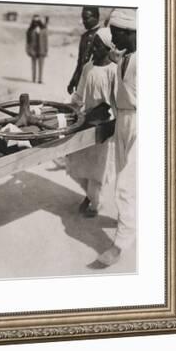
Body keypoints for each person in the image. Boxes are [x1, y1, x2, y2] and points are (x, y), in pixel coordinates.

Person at [97, 8, 137, 267]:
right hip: (123, 119)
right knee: (126, 177)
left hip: (141, 121)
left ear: (128, 31)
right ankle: (130, 223)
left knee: (125, 184)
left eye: (116, 35)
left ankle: (121, 242)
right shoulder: (124, 57)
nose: (113, 40)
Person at [66, 27, 117, 218]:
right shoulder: (88, 67)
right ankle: (89, 194)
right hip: (86, 122)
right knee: (78, 163)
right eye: (93, 45)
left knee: (97, 167)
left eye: (97, 46)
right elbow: (79, 94)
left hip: (104, 126)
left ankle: (94, 202)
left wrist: (110, 119)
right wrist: (72, 109)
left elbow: (117, 102)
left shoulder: (114, 71)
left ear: (108, 48)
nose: (93, 50)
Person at [67, 6, 101, 94]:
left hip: (95, 83)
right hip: (81, 82)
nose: (83, 22)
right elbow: (80, 62)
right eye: (83, 18)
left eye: (86, 18)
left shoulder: (103, 36)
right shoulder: (84, 37)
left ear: (96, 17)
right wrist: (74, 80)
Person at [25, 14, 49, 84]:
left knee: (41, 65)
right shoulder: (29, 30)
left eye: (37, 21)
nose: (36, 23)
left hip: (41, 50)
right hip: (33, 50)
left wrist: (46, 50)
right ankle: (33, 79)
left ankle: (40, 79)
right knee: (33, 65)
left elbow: (46, 41)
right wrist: (28, 50)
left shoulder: (44, 30)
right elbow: (28, 41)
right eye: (34, 21)